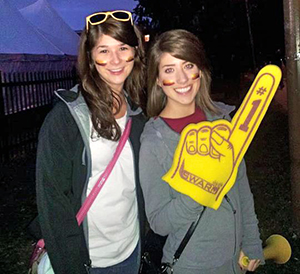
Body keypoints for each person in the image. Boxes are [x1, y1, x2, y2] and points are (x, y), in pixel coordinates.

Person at [139, 29, 264, 274]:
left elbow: (242, 191)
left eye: (188, 65)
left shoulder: (223, 123)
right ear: (156, 79)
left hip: (234, 262)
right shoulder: (155, 142)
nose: (182, 79)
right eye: (169, 70)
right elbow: (159, 222)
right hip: (191, 265)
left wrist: (252, 242)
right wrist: (198, 192)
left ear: (200, 70)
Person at [35, 10, 147, 274]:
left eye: (123, 47)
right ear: (90, 56)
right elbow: (52, 202)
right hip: (87, 262)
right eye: (103, 50)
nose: (116, 60)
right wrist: (72, 265)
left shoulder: (139, 114)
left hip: (132, 252)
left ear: (135, 51)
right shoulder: (66, 119)